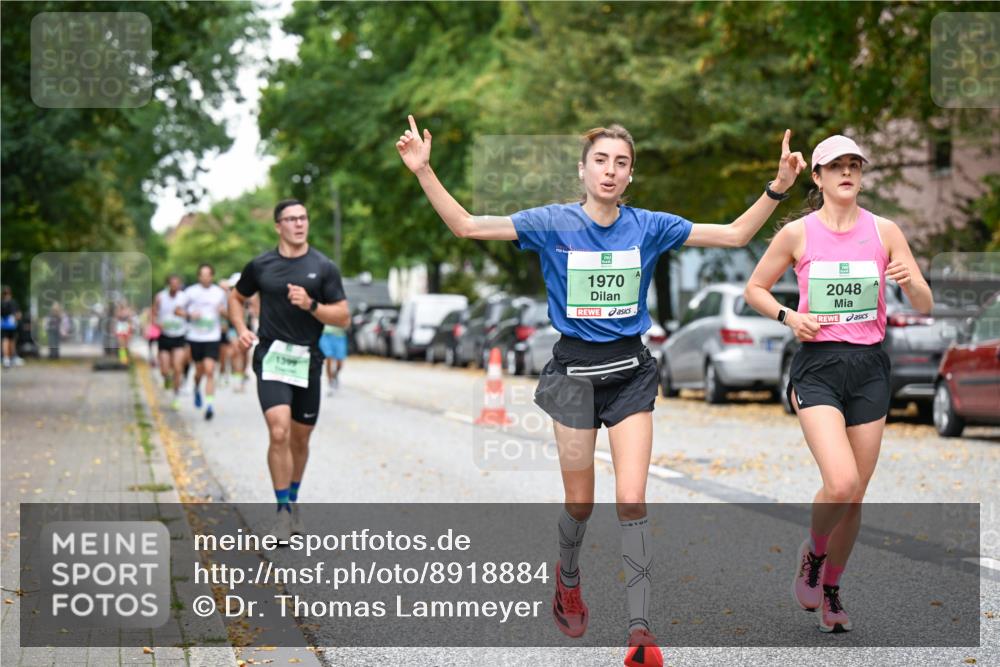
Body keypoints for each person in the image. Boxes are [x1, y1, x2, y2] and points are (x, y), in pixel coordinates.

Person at [397, 115, 806, 666]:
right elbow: (468, 226)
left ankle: (639, 632)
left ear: (630, 175)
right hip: (572, 376)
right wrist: (424, 172)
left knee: (632, 499)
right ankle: (568, 575)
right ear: (583, 169)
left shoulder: (649, 226)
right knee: (580, 502)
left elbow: (733, 234)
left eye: (621, 163)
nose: (610, 171)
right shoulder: (551, 222)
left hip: (630, 373)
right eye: (601, 161)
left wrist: (777, 187)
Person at [744, 135, 932, 633]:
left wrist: (908, 281)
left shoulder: (885, 231)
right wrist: (790, 316)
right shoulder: (798, 234)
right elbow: (755, 289)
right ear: (819, 177)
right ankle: (814, 552)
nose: (847, 172)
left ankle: (831, 590)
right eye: (836, 166)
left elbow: (925, 303)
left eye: (854, 164)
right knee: (841, 482)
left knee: (856, 495)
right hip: (818, 367)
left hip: (869, 367)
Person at [229, 199, 350, 540]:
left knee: (300, 438)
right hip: (271, 355)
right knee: (278, 431)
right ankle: (282, 510)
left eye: (303, 218)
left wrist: (311, 305)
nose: (299, 224)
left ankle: (293, 498)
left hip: (307, 359)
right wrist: (241, 328)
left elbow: (343, 316)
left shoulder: (323, 268)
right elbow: (236, 298)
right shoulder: (261, 265)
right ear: (278, 225)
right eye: (291, 219)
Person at [184, 264, 228, 420]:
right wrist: (189, 315)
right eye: (202, 274)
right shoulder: (190, 292)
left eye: (208, 274)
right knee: (199, 371)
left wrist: (223, 313)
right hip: (195, 337)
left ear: (212, 276)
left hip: (212, 337)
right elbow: (178, 309)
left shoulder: (219, 293)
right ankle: (196, 386)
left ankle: (209, 405)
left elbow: (227, 312)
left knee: (210, 370)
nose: (205, 277)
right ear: (198, 276)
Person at [152, 275, 190, 410]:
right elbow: (154, 314)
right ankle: (167, 379)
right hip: (165, 336)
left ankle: (176, 396)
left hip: (179, 336)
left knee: (178, 367)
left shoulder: (184, 297)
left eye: (177, 284)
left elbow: (191, 314)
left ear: (180, 285)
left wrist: (183, 314)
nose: (174, 286)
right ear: (168, 284)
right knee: (164, 370)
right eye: (172, 284)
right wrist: (157, 323)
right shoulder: (160, 297)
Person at [318, 322, 348, 396]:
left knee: (340, 364)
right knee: (328, 359)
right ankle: (330, 383)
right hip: (326, 335)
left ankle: (335, 375)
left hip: (339, 336)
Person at [1, 285, 23, 368]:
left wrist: (16, 317)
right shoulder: (2, 303)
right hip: (5, 325)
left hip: (11, 325)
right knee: (6, 341)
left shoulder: (13, 302)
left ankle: (11, 358)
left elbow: (19, 314)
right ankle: (7, 358)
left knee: (11, 342)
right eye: (5, 293)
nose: (7, 295)